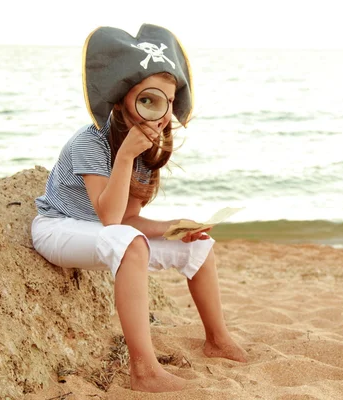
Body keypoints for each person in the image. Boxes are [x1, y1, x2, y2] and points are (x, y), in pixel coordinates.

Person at [30, 24, 247, 393]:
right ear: (120, 100)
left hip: (104, 233)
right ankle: (143, 370)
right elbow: (111, 219)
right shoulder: (90, 142)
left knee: (198, 246)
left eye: (167, 101)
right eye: (148, 100)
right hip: (59, 228)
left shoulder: (145, 149)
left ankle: (218, 339)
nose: (160, 114)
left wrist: (173, 226)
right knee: (129, 243)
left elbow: (127, 219)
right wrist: (126, 155)